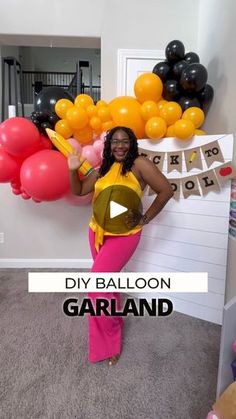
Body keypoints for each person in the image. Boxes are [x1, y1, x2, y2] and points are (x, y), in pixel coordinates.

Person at [67, 126, 173, 366]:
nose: (120, 146)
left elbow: (166, 191)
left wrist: (145, 218)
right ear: (109, 145)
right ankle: (114, 322)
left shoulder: (140, 164)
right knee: (107, 287)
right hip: (96, 232)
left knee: (96, 289)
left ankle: (110, 342)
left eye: (125, 141)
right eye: (115, 142)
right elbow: (79, 190)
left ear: (132, 144)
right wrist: (73, 171)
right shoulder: (102, 168)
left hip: (124, 237)